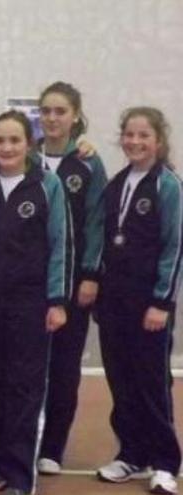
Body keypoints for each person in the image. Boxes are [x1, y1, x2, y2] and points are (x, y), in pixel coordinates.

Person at [0, 111, 69, 495]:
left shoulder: (47, 186)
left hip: (31, 303)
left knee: (24, 389)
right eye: (0, 141)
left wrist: (56, 301)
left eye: (14, 140)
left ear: (29, 143)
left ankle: (22, 476)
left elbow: (60, 245)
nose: (6, 147)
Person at [94, 107, 182, 495]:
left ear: (158, 141)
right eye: (129, 135)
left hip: (150, 304)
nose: (135, 142)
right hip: (115, 302)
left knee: (151, 383)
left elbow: (174, 247)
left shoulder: (168, 186)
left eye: (143, 136)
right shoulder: (116, 184)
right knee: (122, 380)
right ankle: (131, 453)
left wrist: (161, 301)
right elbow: (103, 239)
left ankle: (165, 461)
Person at [32, 82, 107, 475]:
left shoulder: (88, 163)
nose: (52, 118)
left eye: (60, 111)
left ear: (75, 114)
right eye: (46, 110)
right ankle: (20, 435)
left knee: (63, 365)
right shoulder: (29, 158)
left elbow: (97, 223)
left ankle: (53, 446)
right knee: (26, 362)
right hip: (30, 281)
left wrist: (91, 275)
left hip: (74, 281)